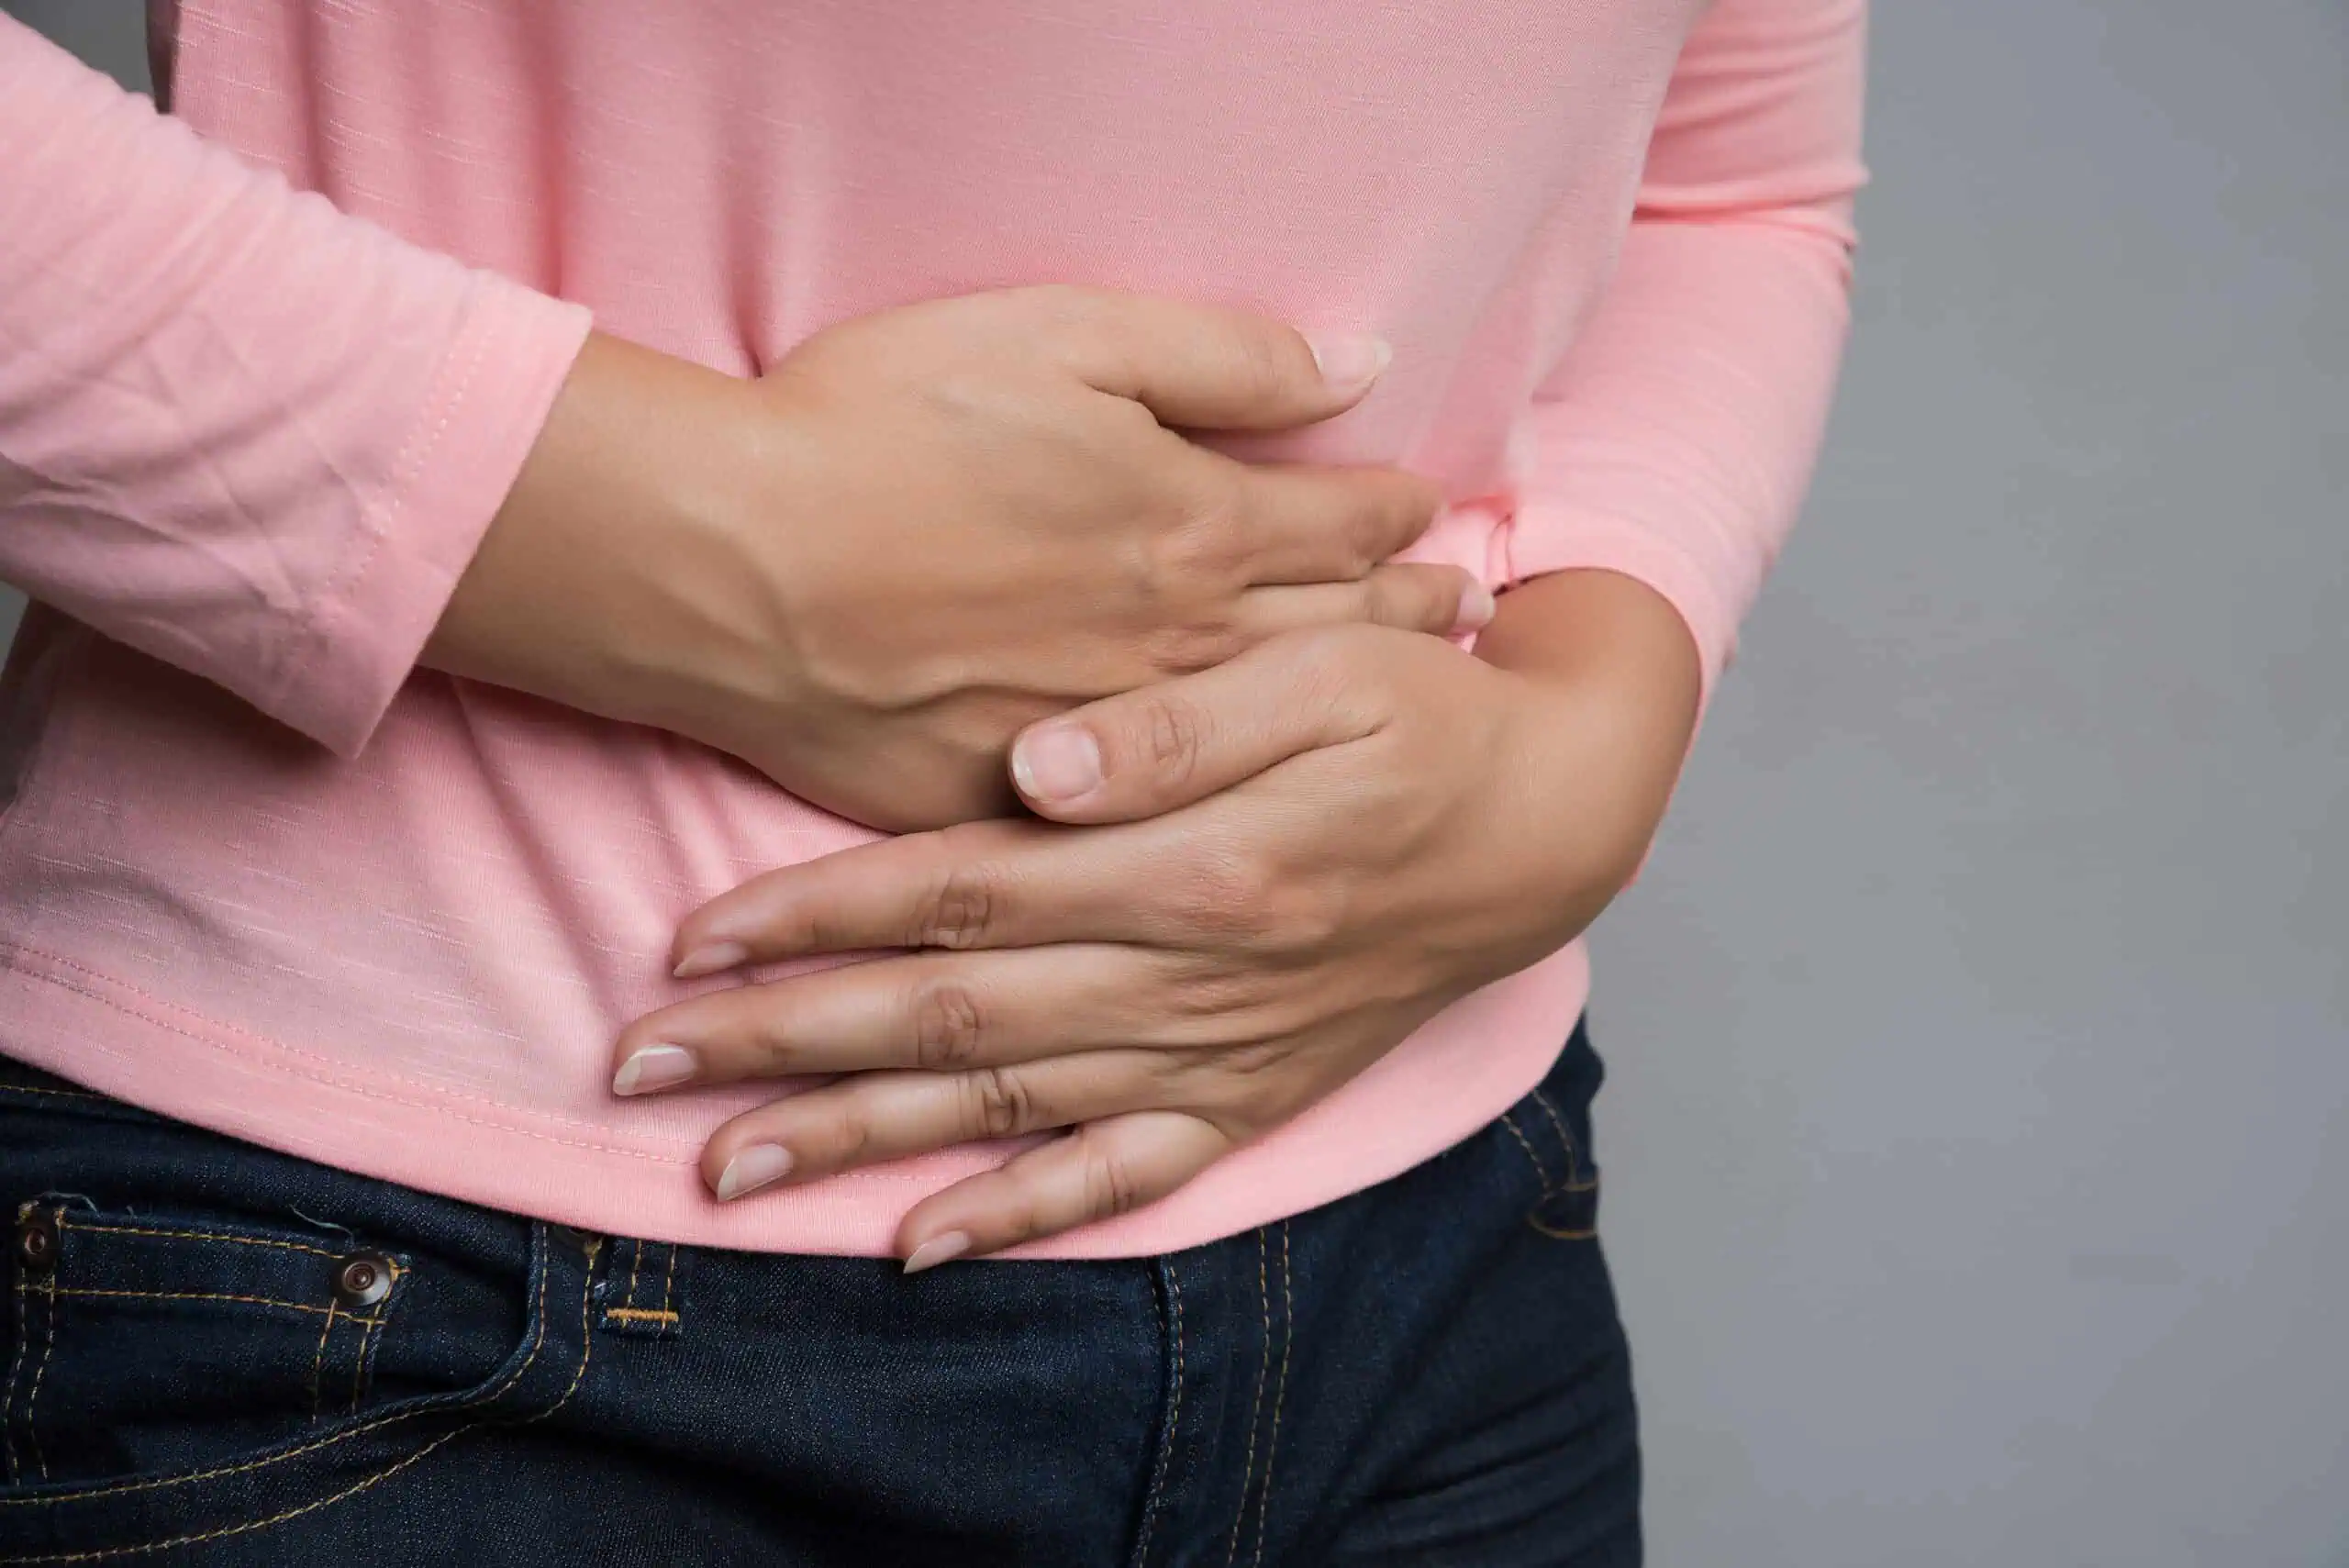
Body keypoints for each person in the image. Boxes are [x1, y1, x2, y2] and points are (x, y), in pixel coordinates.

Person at [0, 1, 1865, 1561]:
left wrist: (1584, 743)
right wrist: (717, 545)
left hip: (1439, 1272)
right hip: (387, 1281)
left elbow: (1725, 183)